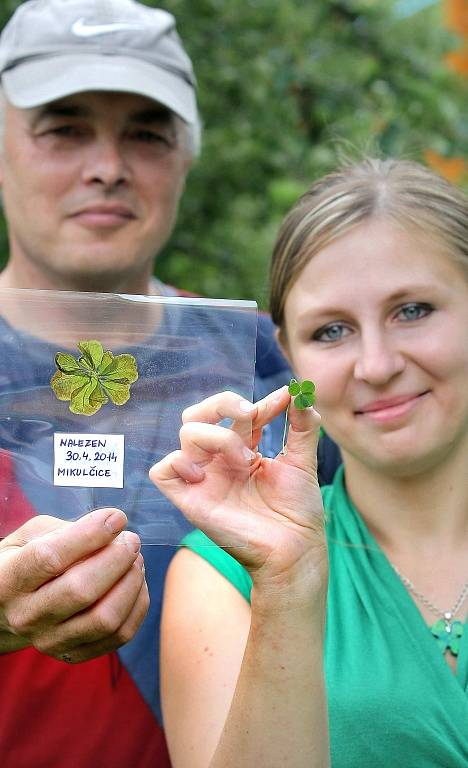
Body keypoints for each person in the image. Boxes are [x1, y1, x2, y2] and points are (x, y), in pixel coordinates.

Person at [0, 1, 296, 766]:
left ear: (186, 157)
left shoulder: (261, 363)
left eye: (146, 131)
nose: (107, 164)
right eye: (63, 128)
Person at [150, 157, 468, 768]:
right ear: (289, 355)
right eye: (331, 331)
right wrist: (286, 585)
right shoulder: (224, 574)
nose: (375, 365)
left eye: (413, 311)